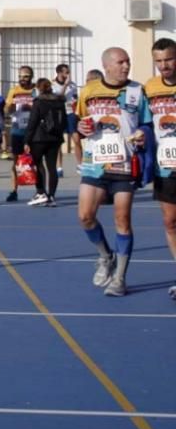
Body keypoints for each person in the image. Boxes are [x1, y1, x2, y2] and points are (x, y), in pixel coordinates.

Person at [75, 47, 151, 297]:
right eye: (121, 62)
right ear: (106, 65)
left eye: (128, 61)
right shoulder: (88, 91)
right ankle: (105, 255)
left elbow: (146, 123)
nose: (126, 66)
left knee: (123, 220)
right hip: (94, 165)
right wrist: (81, 127)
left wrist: (143, 134)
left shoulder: (137, 91)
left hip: (124, 166)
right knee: (85, 216)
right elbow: (77, 122)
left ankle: (120, 278)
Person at [144, 37, 176, 300]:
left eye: (169, 59)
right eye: (159, 61)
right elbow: (141, 121)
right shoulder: (150, 88)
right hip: (165, 165)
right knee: (170, 221)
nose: (164, 66)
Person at [24, 77, 65, 207]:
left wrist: (26, 140)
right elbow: (63, 120)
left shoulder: (38, 102)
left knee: (38, 165)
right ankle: (52, 196)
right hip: (55, 138)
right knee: (52, 167)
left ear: (38, 88)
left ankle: (41, 192)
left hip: (39, 138)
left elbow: (32, 122)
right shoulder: (59, 102)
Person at [3, 66, 37, 202]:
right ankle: (13, 190)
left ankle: (39, 190)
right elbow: (6, 109)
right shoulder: (14, 90)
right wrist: (9, 107)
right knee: (16, 161)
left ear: (31, 77)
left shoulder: (35, 91)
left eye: (26, 76)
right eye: (20, 76)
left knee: (36, 161)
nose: (23, 79)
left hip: (33, 130)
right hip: (17, 130)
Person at [54, 63, 79, 171]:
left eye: (69, 72)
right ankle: (59, 167)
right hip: (59, 113)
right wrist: (65, 85)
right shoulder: (52, 84)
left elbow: (75, 98)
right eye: (66, 72)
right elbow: (58, 97)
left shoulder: (72, 85)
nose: (68, 74)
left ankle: (80, 165)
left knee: (76, 139)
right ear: (59, 73)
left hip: (70, 113)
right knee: (58, 141)